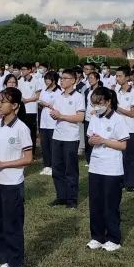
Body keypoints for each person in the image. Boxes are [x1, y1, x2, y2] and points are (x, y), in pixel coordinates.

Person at [0, 87, 34, 267]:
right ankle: (3, 261)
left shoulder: (22, 128)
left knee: (12, 225)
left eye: (3, 102)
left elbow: (28, 158)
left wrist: (4, 164)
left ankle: (15, 265)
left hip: (12, 183)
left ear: (15, 106)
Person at [86, 86, 129, 251]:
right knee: (95, 203)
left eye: (100, 103)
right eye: (94, 104)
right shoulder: (95, 118)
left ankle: (113, 238)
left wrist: (103, 140)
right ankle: (97, 236)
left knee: (110, 204)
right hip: (95, 167)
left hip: (112, 168)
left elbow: (123, 144)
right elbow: (90, 139)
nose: (97, 107)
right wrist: (93, 141)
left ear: (108, 102)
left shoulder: (118, 119)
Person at [48, 69, 86, 209]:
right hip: (57, 136)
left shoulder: (78, 97)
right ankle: (61, 196)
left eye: (65, 78)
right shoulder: (58, 96)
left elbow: (80, 117)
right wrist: (54, 114)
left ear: (73, 80)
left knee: (70, 169)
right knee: (57, 168)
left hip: (71, 137)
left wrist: (61, 116)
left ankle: (71, 199)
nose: (61, 80)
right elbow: (56, 113)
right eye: (61, 78)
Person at [36, 71, 58, 176]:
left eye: (48, 79)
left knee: (53, 145)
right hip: (43, 122)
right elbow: (40, 104)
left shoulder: (59, 91)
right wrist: (41, 104)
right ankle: (46, 165)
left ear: (54, 80)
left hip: (53, 123)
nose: (46, 81)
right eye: (45, 79)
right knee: (44, 145)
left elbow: (58, 107)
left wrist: (47, 105)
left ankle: (54, 166)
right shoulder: (44, 91)